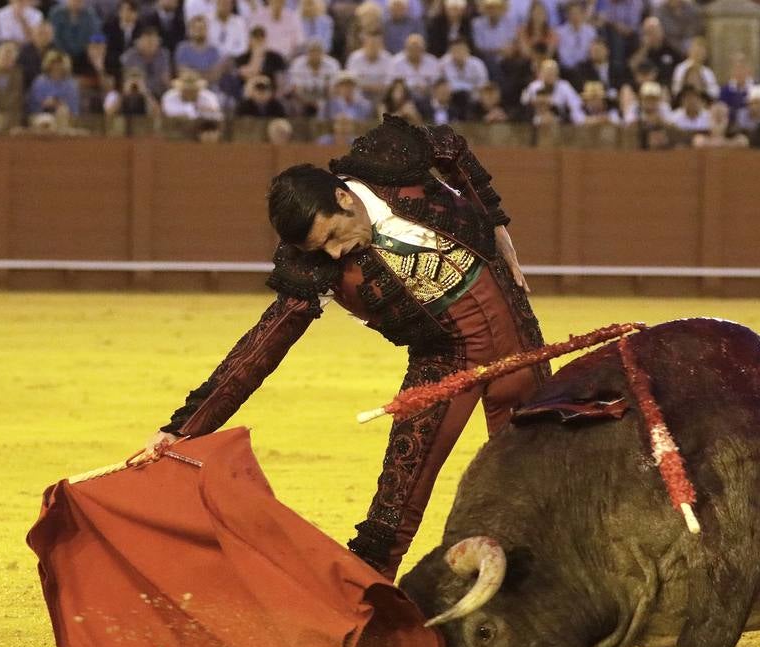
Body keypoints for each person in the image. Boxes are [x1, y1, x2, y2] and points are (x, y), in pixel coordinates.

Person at [144, 118, 549, 580]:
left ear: (343, 197)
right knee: (397, 498)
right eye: (322, 249)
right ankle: (365, 602)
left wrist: (496, 225)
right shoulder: (312, 265)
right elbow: (263, 345)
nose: (334, 255)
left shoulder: (388, 159)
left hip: (515, 332)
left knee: (537, 473)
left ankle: (551, 599)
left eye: (333, 236)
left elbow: (451, 149)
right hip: (444, 355)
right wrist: (185, 426)